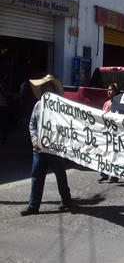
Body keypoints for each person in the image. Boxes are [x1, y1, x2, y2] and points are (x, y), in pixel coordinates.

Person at [20, 74, 72, 216]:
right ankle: (33, 206)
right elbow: (32, 124)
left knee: (59, 173)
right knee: (36, 175)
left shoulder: (59, 106)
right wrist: (34, 140)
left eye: (47, 85)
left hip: (53, 148)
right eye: (43, 86)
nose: (44, 88)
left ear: (53, 88)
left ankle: (66, 199)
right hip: (39, 148)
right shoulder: (38, 105)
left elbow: (65, 125)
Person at [99, 83, 120, 183]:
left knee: (114, 154)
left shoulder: (119, 103)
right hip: (106, 132)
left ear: (115, 91)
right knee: (104, 152)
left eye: (111, 90)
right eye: (108, 89)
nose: (109, 91)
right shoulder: (106, 103)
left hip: (115, 133)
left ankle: (115, 175)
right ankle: (104, 174)